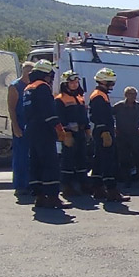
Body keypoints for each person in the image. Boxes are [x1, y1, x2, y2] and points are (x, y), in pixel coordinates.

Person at [23, 60, 71, 209]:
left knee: (35, 163)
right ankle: (52, 197)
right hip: (44, 130)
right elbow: (49, 112)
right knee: (50, 164)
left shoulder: (28, 88)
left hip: (31, 130)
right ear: (46, 74)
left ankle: (39, 196)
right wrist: (59, 129)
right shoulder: (42, 88)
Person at [88, 68, 129, 203]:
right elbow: (99, 116)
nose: (112, 85)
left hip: (102, 131)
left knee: (99, 161)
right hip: (103, 132)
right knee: (108, 161)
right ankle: (111, 191)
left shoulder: (101, 94)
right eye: (110, 82)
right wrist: (105, 132)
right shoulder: (99, 96)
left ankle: (98, 189)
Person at [55, 70, 90, 199]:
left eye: (76, 82)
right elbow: (59, 117)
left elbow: (84, 116)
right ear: (65, 84)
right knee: (67, 160)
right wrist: (66, 133)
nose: (74, 85)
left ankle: (83, 183)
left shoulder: (80, 98)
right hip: (69, 133)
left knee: (82, 159)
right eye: (71, 82)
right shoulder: (60, 99)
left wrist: (87, 129)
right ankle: (66, 186)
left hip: (80, 132)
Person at [113, 86, 139, 188]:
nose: (133, 96)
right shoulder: (118, 106)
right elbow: (109, 116)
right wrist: (114, 127)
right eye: (130, 94)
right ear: (125, 95)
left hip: (134, 136)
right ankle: (126, 181)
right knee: (124, 159)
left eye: (134, 94)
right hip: (122, 136)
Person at [7, 61, 34, 198]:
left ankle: (32, 184)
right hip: (21, 124)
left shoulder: (33, 86)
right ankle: (20, 186)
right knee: (21, 156)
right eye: (27, 71)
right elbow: (11, 108)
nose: (29, 74)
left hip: (32, 124)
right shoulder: (15, 86)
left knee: (32, 156)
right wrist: (15, 126)